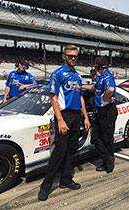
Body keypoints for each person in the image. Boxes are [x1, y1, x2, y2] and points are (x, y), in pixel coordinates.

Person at [38, 45, 90, 201]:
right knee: (59, 152)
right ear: (64, 56)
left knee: (71, 150)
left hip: (76, 117)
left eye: (75, 56)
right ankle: (45, 186)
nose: (73, 58)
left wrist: (85, 117)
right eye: (70, 55)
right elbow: (53, 98)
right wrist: (60, 120)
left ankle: (65, 179)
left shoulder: (77, 76)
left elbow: (81, 97)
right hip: (64, 116)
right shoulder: (57, 74)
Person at [83, 57, 118, 173]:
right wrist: (82, 87)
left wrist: (104, 98)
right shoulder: (100, 78)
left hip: (108, 111)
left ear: (98, 66)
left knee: (107, 139)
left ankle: (108, 162)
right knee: (96, 138)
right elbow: (94, 87)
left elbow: (111, 89)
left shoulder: (107, 76)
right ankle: (107, 159)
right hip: (101, 112)